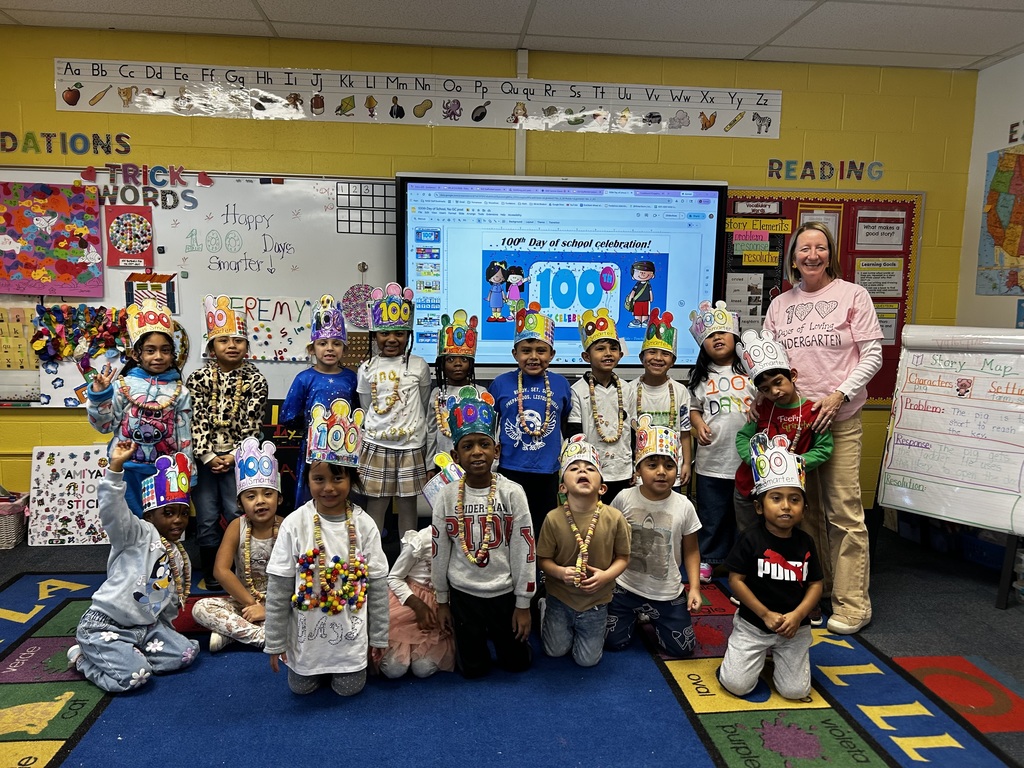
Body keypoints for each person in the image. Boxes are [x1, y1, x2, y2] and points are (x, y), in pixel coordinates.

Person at [764, 221, 883, 635]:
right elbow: (770, 363)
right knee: (805, 513)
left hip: (839, 420)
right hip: (796, 424)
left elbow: (873, 355)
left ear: (830, 254)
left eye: (820, 247)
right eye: (804, 249)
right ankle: (820, 591)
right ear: (793, 258)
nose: (812, 255)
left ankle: (853, 604)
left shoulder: (853, 295)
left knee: (844, 512)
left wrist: (840, 394)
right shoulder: (780, 304)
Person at [264, 399, 389, 696]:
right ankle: (309, 663)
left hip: (350, 642)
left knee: (349, 689)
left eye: (338, 478)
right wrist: (275, 641)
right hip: (307, 645)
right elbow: (279, 587)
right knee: (301, 689)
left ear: (351, 479)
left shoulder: (365, 525)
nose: (329, 488)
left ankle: (348, 662)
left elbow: (378, 586)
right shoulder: (295, 523)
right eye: (319, 479)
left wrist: (379, 638)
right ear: (307, 479)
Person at [67, 443, 199, 692]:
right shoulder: (136, 533)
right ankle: (83, 658)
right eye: (168, 513)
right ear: (149, 516)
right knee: (134, 677)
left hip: (146, 628)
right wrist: (116, 468)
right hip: (106, 625)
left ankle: (129, 654)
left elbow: (169, 602)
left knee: (185, 653)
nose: (178, 520)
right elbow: (113, 511)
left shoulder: (179, 553)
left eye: (183, 513)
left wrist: (168, 634)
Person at [432, 389, 536, 678]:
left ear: (496, 451)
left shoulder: (513, 493)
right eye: (467, 446)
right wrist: (442, 600)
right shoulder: (447, 496)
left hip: (504, 592)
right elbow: (439, 551)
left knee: (516, 664)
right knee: (473, 670)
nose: (477, 452)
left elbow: (525, 550)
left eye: (484, 444)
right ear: (455, 456)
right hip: (463, 594)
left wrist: (523, 604)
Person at [718, 434, 823, 700]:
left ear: (804, 507)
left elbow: (815, 583)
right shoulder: (750, 539)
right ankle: (739, 658)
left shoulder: (806, 542)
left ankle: (779, 657)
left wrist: (799, 615)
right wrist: (764, 614)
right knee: (737, 685)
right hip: (754, 625)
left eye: (795, 500)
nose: (786, 506)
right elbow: (736, 580)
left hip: (794, 629)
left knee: (795, 691)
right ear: (759, 507)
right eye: (776, 498)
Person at [186, 295, 269, 590]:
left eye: (238, 340)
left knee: (238, 513)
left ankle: (242, 568)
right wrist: (208, 456)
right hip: (205, 460)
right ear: (212, 347)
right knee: (207, 516)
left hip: (241, 460)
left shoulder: (256, 381)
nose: (231, 345)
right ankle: (212, 572)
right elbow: (196, 420)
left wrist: (235, 455)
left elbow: (252, 424)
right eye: (223, 340)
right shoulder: (197, 379)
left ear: (247, 346)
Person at [605, 415, 703, 658]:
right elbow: (609, 538)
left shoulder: (684, 505)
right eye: (652, 465)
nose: (661, 472)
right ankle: (635, 615)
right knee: (612, 643)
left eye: (669, 466)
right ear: (638, 469)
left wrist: (694, 588)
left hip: (666, 593)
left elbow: (692, 550)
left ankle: (653, 618)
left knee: (682, 649)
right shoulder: (624, 498)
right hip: (625, 587)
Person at [86, 298, 192, 517]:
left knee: (165, 525)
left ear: (172, 354)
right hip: (127, 468)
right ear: (136, 355)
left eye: (165, 350)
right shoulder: (122, 386)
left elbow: (184, 436)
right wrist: (100, 396)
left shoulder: (180, 392)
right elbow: (104, 426)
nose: (158, 356)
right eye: (150, 350)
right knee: (127, 522)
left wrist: (188, 470)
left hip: (166, 471)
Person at [537, 436, 631, 667]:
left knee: (586, 661)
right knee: (554, 651)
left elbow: (623, 557)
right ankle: (543, 608)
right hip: (560, 598)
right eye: (574, 468)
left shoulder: (615, 518)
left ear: (602, 487)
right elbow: (543, 560)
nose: (582, 471)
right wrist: (560, 573)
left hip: (596, 601)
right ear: (562, 487)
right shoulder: (553, 518)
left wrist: (606, 576)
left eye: (590, 468)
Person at [734, 328, 834, 538]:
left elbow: (824, 448)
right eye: (765, 389)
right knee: (749, 538)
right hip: (749, 487)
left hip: (787, 493)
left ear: (793, 376)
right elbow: (743, 437)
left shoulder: (812, 411)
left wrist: (796, 463)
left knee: (784, 538)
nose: (774, 392)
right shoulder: (761, 408)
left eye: (778, 382)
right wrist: (754, 460)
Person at [192, 437, 283, 652]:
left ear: (279, 499)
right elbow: (221, 571)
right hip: (244, 601)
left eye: (268, 494)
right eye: (251, 496)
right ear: (240, 503)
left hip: (281, 604)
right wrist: (252, 604)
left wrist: (271, 610)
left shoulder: (288, 526)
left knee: (307, 612)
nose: (260, 501)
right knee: (201, 608)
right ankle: (265, 637)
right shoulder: (237, 526)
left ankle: (235, 633)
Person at [488, 302, 572, 534]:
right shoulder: (500, 384)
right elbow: (491, 426)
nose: (533, 357)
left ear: (552, 354)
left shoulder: (561, 384)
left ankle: (540, 559)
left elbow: (564, 422)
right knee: (509, 526)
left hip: (547, 471)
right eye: (526, 351)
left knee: (543, 528)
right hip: (510, 469)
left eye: (541, 351)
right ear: (515, 353)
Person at [356, 282, 431, 538]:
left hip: (410, 445)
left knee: (408, 504)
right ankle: (373, 557)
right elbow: (366, 405)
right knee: (377, 504)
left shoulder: (419, 365)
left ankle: (408, 557)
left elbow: (423, 401)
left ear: (408, 335)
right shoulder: (366, 368)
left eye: (399, 333)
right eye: (385, 333)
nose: (391, 339)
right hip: (377, 444)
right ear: (375, 334)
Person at [687, 300, 754, 582]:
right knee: (712, 513)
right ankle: (709, 557)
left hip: (745, 460)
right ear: (702, 344)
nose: (717, 338)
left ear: (735, 336)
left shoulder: (750, 372)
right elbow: (693, 408)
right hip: (712, 460)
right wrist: (698, 423)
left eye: (722, 333)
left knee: (744, 515)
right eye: (710, 335)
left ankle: (743, 560)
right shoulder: (701, 378)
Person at [280, 293, 358, 512]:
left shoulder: (351, 378)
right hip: (313, 449)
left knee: (340, 492)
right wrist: (310, 428)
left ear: (344, 349)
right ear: (312, 348)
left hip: (345, 449)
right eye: (323, 343)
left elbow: (357, 413)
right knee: (313, 493)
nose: (330, 348)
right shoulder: (304, 378)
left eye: (336, 343)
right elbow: (288, 416)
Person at [567, 308, 633, 504]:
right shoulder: (577, 390)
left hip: (623, 469)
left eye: (613, 348)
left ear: (620, 354)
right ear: (586, 356)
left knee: (619, 517)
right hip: (591, 470)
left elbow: (634, 431)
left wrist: (635, 465)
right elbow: (575, 433)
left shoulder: (627, 389)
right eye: (600, 348)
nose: (608, 353)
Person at [626, 307, 693, 490]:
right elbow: (626, 435)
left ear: (673, 361)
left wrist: (686, 463)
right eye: (652, 352)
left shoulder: (680, 391)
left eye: (665, 354)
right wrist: (630, 466)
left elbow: (685, 432)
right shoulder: (629, 390)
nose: (658, 358)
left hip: (671, 472)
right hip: (639, 472)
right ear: (641, 357)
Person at [379, 527, 456, 679]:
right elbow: (394, 577)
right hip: (409, 604)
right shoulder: (422, 540)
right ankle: (402, 652)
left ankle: (419, 654)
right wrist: (418, 605)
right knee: (394, 669)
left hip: (440, 608)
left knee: (422, 669)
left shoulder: (462, 539)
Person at [424, 309, 487, 467]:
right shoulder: (437, 394)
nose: (458, 364)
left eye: (464, 359)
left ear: (471, 364)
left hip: (473, 464)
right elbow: (431, 432)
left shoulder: (481, 393)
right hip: (443, 463)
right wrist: (430, 465)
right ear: (442, 364)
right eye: (451, 359)